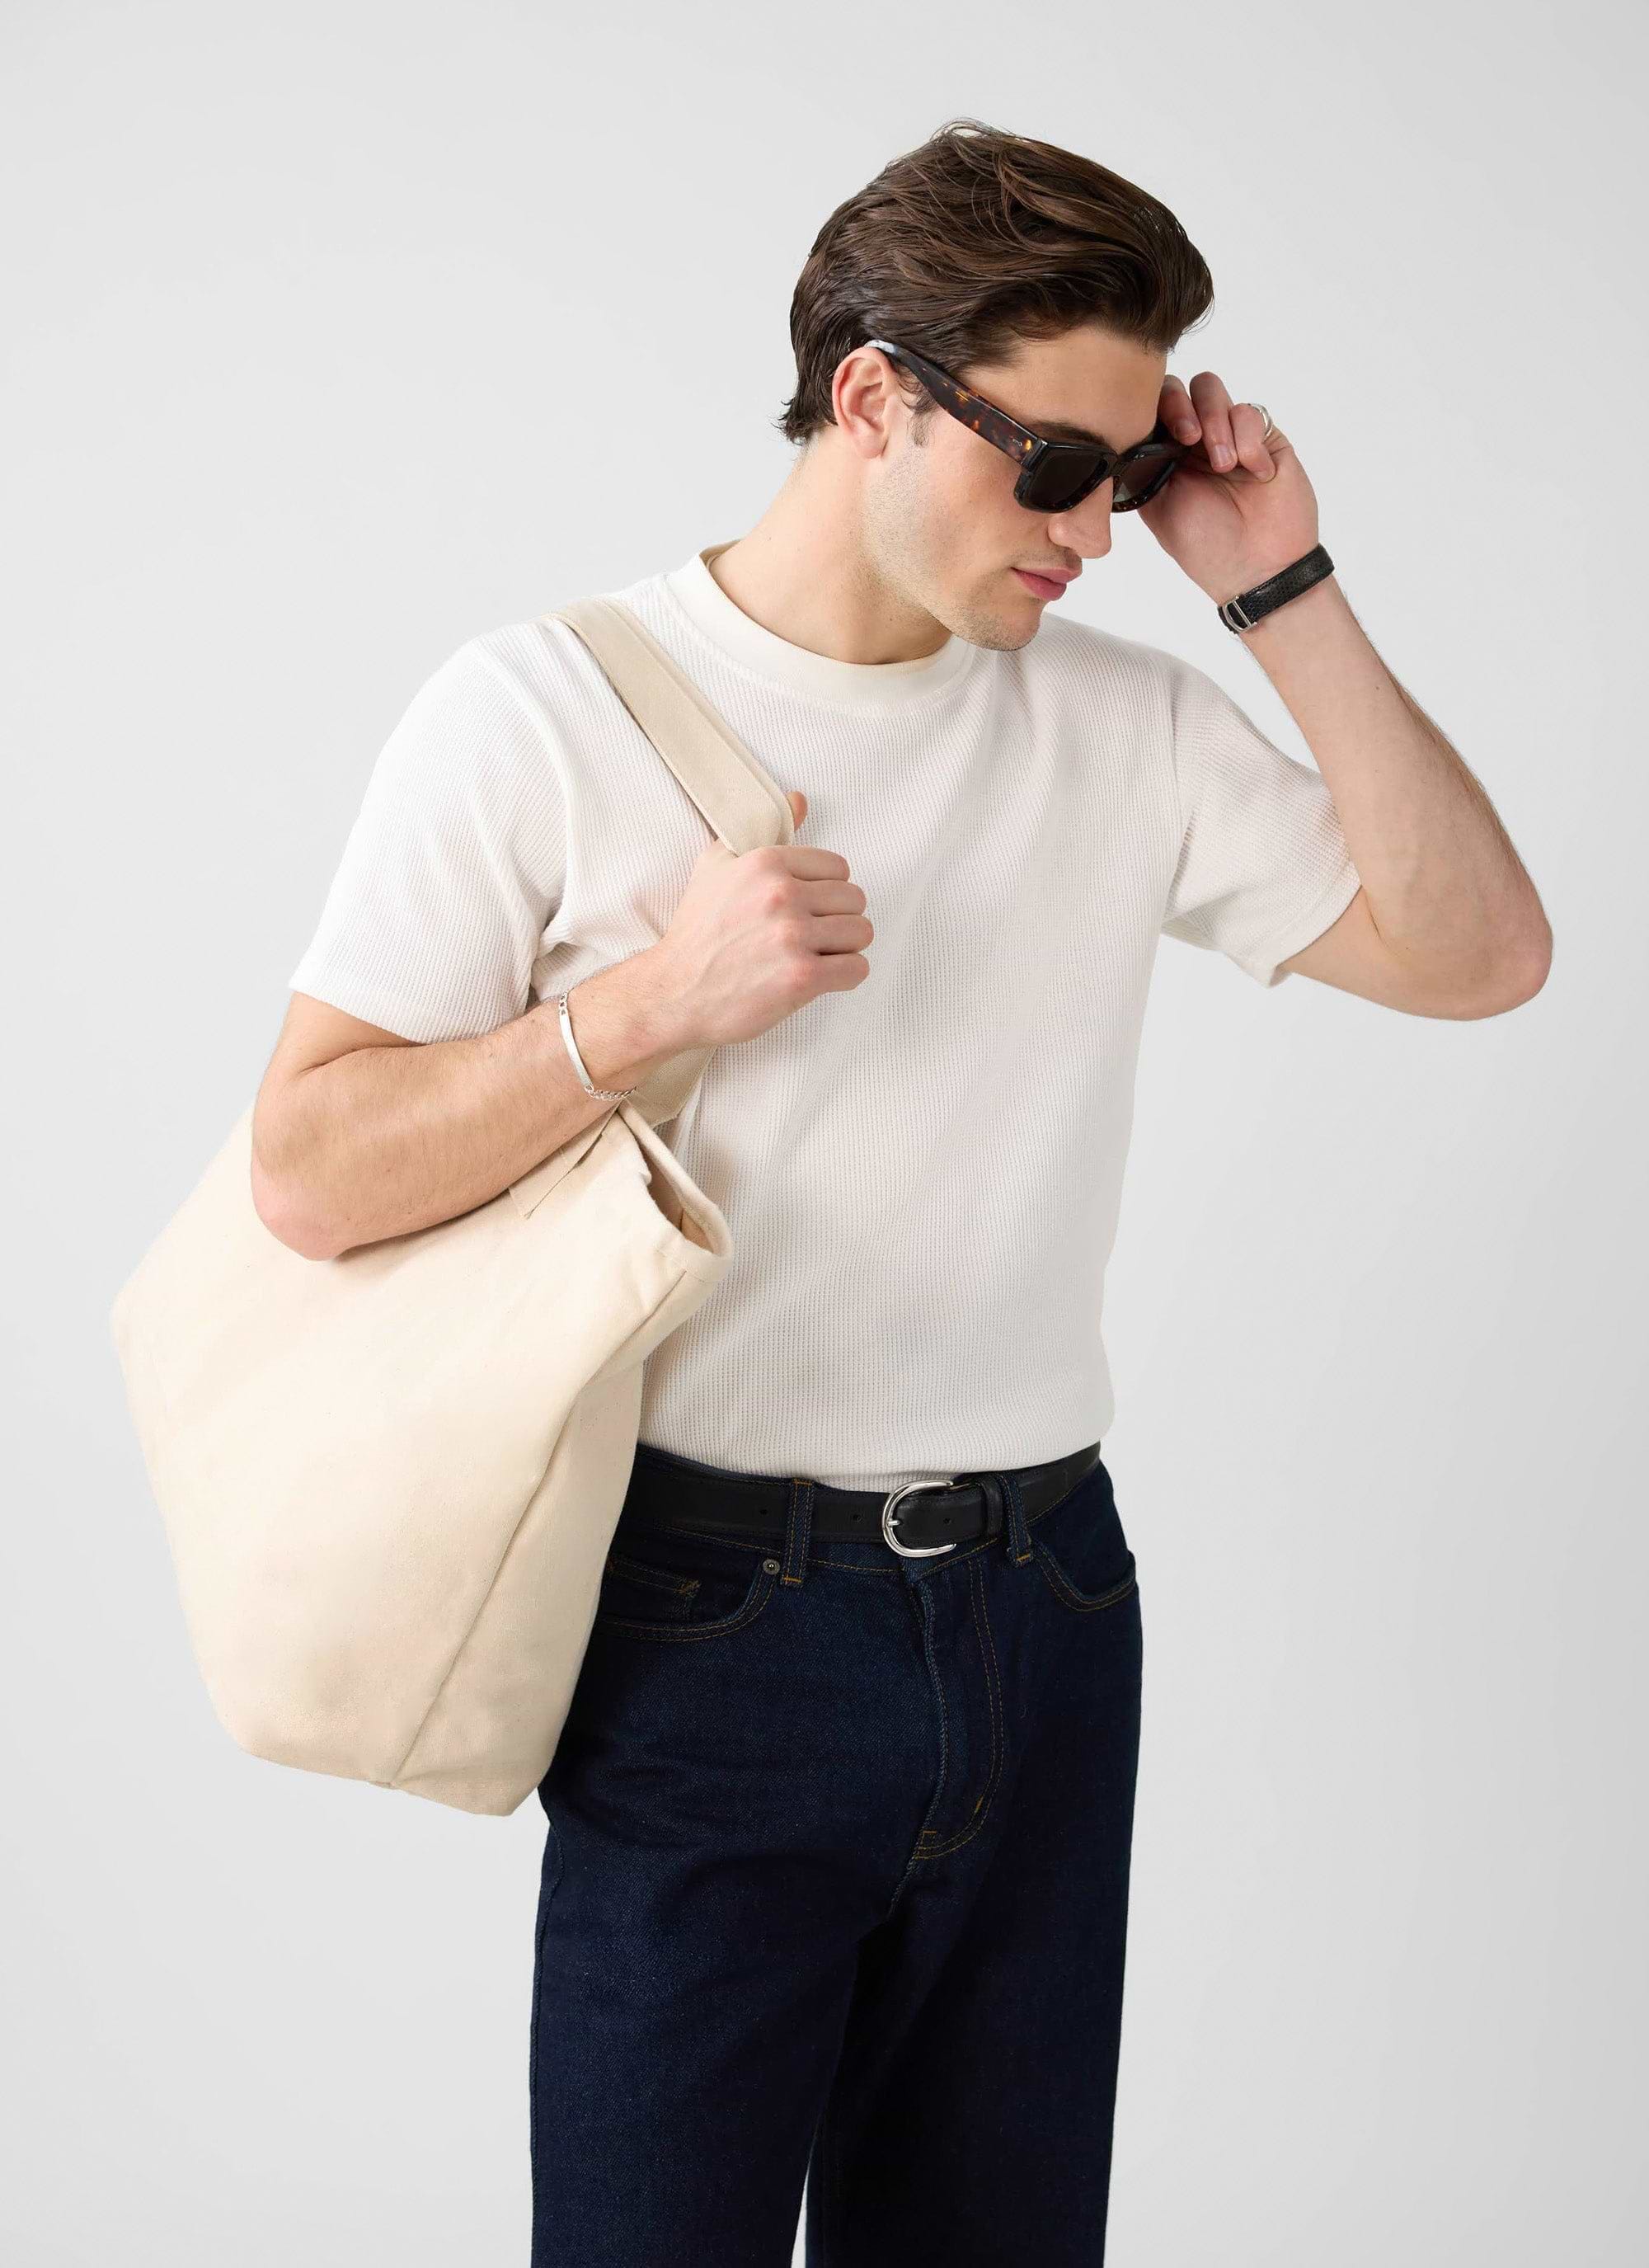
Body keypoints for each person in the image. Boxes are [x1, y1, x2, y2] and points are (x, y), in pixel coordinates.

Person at [251, 117, 1550, 2268]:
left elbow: (1481, 954)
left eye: (1125, 481)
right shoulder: (540, 715)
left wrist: (1278, 588)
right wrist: (655, 1006)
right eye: (1056, 469)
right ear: (872, 392)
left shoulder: (1122, 728)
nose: (1095, 538)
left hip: (1047, 1612)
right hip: (708, 1633)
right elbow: (307, 1165)